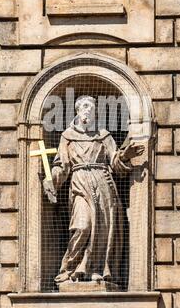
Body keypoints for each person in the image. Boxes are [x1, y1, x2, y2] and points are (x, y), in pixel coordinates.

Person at [43, 95, 144, 285]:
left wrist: (124, 156)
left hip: (103, 184)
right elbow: (62, 165)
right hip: (80, 183)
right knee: (83, 226)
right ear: (78, 110)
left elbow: (114, 161)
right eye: (86, 106)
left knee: (103, 230)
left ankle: (95, 270)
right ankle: (69, 269)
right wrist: (51, 181)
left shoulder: (104, 135)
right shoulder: (67, 136)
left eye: (92, 107)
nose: (89, 110)